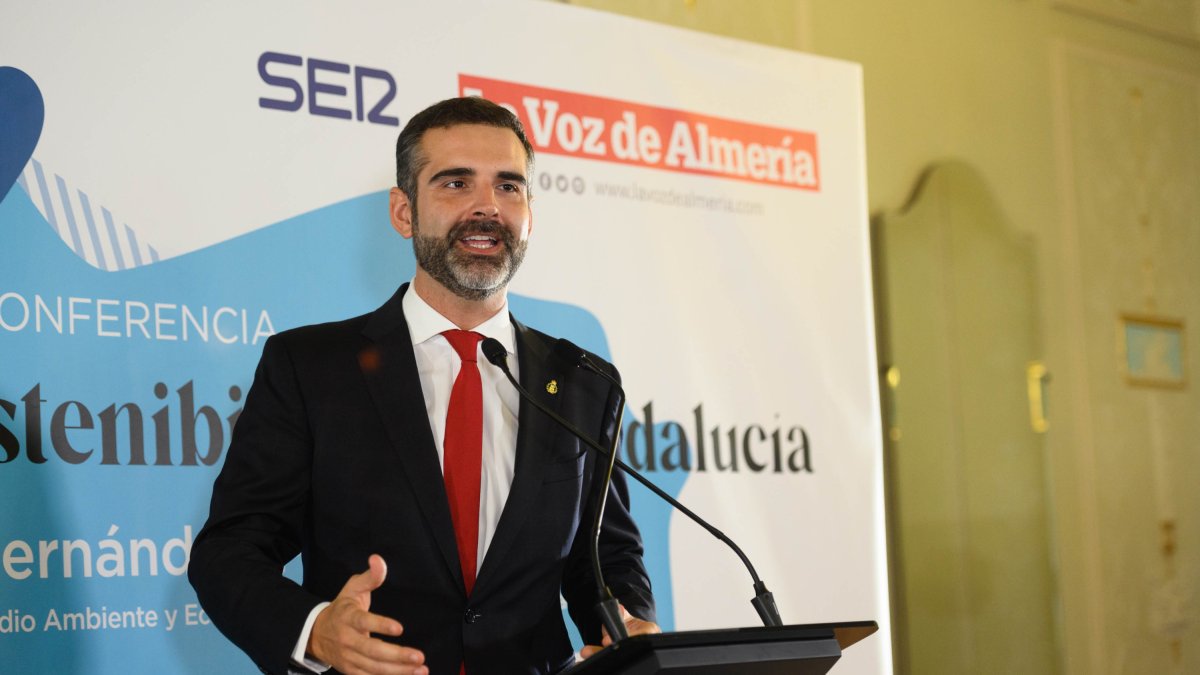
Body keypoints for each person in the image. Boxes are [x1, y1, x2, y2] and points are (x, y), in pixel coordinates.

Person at [188, 97, 658, 675]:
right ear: (403, 212)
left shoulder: (585, 383)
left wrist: (628, 626)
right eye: (456, 183)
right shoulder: (310, 368)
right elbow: (229, 551)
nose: (487, 206)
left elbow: (604, 560)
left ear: (531, 212)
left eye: (509, 187)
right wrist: (315, 632)